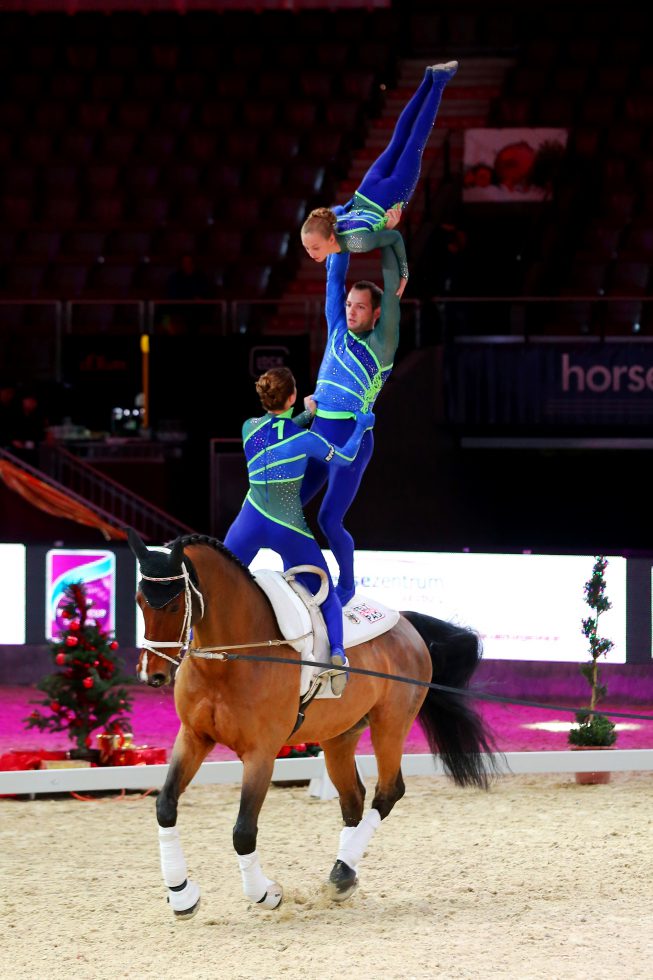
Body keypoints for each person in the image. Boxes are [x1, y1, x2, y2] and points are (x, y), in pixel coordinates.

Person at [224, 366, 374, 674]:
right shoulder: (307, 440)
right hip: (287, 527)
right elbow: (345, 459)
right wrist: (360, 428)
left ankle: (188, 641)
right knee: (326, 592)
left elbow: (274, 432)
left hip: (249, 521)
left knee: (218, 581)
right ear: (293, 396)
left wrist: (305, 416)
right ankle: (336, 655)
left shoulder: (248, 427)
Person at [301, 61, 458, 298]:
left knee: (415, 141)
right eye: (308, 248)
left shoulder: (355, 243)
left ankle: (439, 82)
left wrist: (404, 274)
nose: (311, 253)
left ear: (331, 238)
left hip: (390, 196)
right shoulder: (332, 220)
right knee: (399, 138)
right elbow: (338, 209)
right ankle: (428, 78)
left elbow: (394, 239)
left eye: (314, 247)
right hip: (366, 189)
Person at [299, 241, 400, 607]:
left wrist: (389, 239)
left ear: (376, 314)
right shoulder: (337, 330)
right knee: (288, 509)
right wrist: (337, 239)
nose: (352, 311)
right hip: (319, 433)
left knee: (328, 519)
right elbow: (333, 279)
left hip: (350, 442)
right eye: (349, 305)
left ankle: (347, 585)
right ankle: (307, 573)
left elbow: (393, 289)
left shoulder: (381, 344)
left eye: (360, 307)